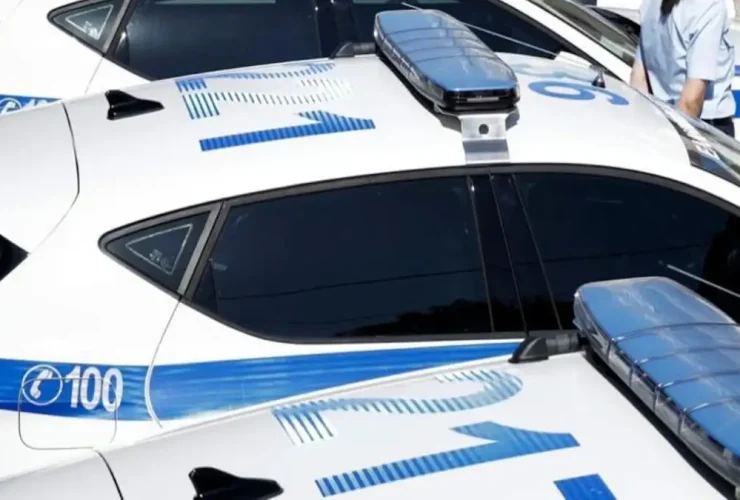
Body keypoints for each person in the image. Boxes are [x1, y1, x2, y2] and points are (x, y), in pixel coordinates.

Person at [630, 0, 737, 137]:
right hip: (702, 127)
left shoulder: (652, 4)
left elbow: (639, 78)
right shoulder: (708, 6)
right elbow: (691, 101)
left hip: (660, 119)